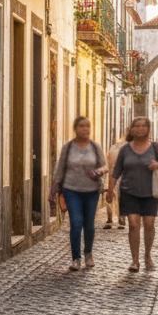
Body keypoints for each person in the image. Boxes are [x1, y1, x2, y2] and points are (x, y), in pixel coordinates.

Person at [107, 116, 158, 272]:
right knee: (133, 225)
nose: (140, 128)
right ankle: (135, 260)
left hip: (150, 193)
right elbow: (116, 171)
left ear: (148, 129)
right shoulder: (125, 149)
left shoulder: (154, 147)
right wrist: (110, 190)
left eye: (144, 126)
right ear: (131, 129)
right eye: (137, 126)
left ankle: (147, 255)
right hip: (129, 192)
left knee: (149, 225)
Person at [52, 116, 107, 271]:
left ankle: (88, 253)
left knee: (89, 225)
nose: (86, 129)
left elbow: (105, 166)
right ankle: (76, 258)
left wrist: (98, 171)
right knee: (76, 224)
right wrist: (54, 189)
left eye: (88, 126)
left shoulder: (95, 147)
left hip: (91, 191)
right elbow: (60, 169)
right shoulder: (68, 147)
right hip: (71, 190)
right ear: (75, 128)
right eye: (82, 126)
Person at [104, 137, 128, 230]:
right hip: (120, 175)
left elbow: (109, 162)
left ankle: (110, 219)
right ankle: (120, 219)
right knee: (120, 197)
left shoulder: (113, 148)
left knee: (110, 196)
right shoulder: (125, 148)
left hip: (112, 173)